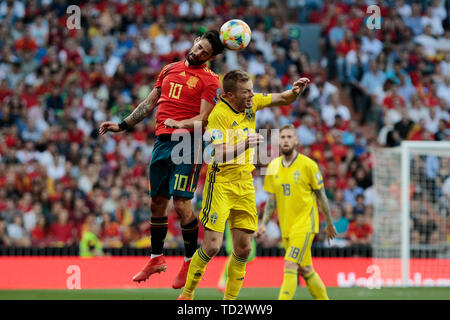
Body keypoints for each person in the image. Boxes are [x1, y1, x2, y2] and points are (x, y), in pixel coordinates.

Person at [99, 30, 225, 289]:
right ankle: (156, 258)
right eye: (200, 46)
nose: (199, 52)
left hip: (188, 143)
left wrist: (179, 123)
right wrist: (122, 125)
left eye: (205, 52)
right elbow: (149, 102)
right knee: (157, 202)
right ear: (195, 41)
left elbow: (203, 119)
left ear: (210, 57)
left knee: (181, 203)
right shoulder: (169, 69)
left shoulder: (211, 80)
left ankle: (190, 260)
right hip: (162, 141)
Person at [178, 70, 310, 300]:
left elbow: (283, 98)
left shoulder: (252, 103)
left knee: (244, 249)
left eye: (251, 89)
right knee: (211, 246)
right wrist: (245, 144)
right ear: (230, 95)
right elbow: (216, 155)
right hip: (220, 184)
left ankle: (229, 302)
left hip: (245, 183)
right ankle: (187, 295)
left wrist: (295, 92)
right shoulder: (219, 115)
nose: (251, 94)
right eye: (246, 91)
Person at [256, 124, 337, 300]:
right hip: (286, 227)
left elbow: (321, 196)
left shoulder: (308, 165)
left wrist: (329, 223)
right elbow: (272, 200)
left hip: (305, 225)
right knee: (305, 269)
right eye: (283, 137)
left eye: (289, 137)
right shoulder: (273, 166)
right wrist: (263, 224)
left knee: (290, 264)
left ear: (296, 140)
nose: (285, 140)